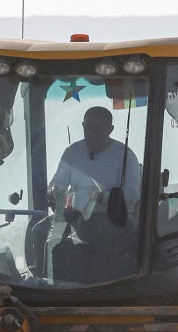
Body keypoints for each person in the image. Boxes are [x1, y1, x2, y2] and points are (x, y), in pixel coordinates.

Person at [47, 106, 142, 281]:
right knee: (40, 232)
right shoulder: (72, 153)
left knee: (97, 238)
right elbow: (57, 183)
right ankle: (46, 287)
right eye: (88, 127)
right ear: (83, 126)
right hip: (76, 218)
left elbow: (132, 195)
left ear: (110, 129)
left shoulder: (125, 156)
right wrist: (54, 191)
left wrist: (102, 196)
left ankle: (90, 286)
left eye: (98, 129)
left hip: (114, 220)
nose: (91, 133)